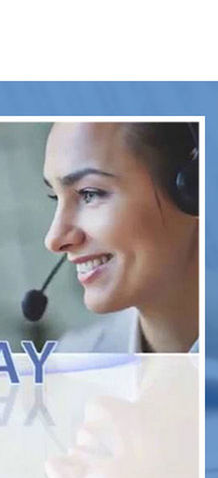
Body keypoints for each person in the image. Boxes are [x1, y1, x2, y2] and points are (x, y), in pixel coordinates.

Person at [43, 122, 199, 353]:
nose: (53, 239)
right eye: (55, 197)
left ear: (196, 189)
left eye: (90, 194)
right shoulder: (68, 367)